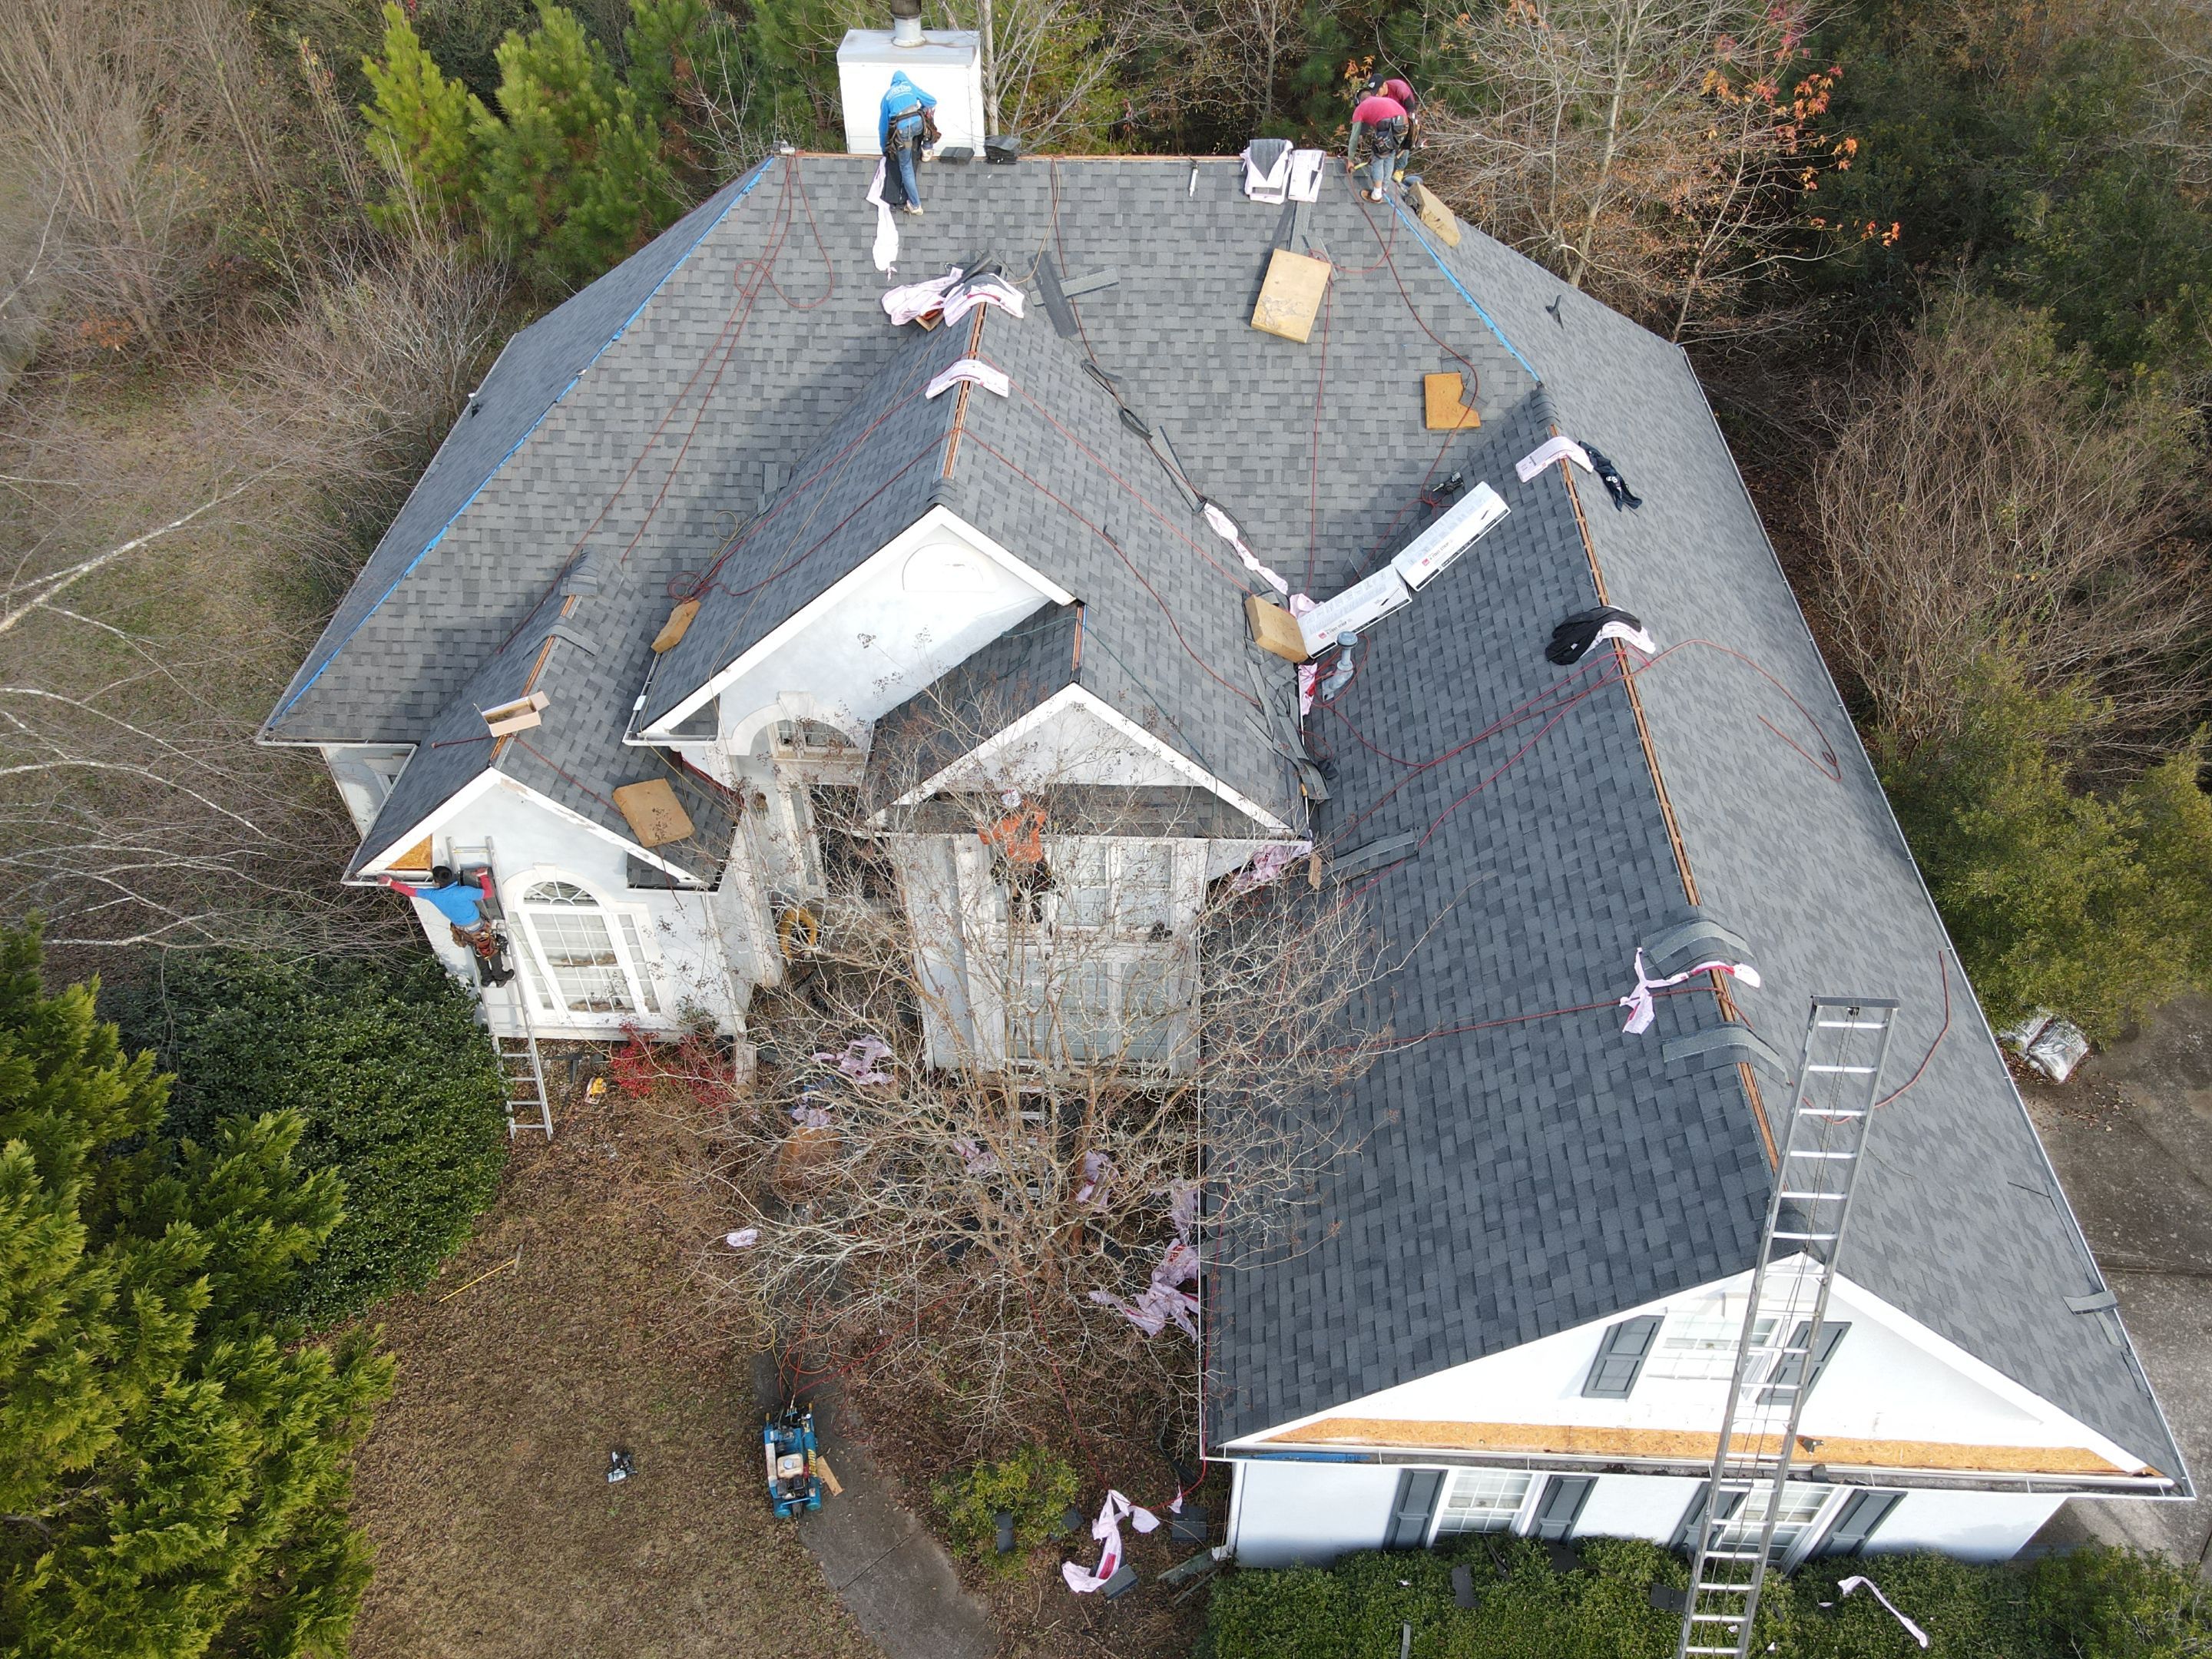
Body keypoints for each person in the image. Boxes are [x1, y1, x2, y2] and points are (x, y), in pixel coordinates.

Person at [879, 71, 937, 216]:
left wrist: (884, 148)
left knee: (906, 167)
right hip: (918, 125)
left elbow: (883, 127)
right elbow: (932, 102)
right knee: (928, 112)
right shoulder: (910, 86)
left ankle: (916, 205)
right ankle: (927, 148)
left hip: (902, 132)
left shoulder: (887, 96)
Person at [1348, 82, 1412, 203]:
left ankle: (1377, 195)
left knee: (1378, 158)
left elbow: (1354, 138)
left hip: (1389, 125)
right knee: (1389, 155)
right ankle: (1384, 189)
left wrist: (1350, 160)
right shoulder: (1381, 101)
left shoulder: (1360, 109)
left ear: (1358, 101)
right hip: (1405, 124)